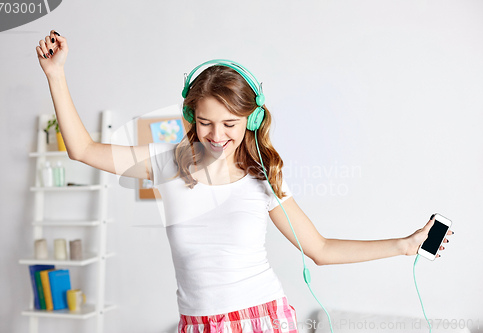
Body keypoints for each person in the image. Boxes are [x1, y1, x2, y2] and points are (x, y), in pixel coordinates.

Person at [36, 30, 453, 333]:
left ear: (251, 119)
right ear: (189, 119)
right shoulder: (163, 163)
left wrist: (405, 245)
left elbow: (320, 250)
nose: (217, 136)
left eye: (230, 124)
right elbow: (83, 150)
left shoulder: (263, 180)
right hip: (195, 325)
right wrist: (56, 74)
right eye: (205, 123)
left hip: (260, 320)